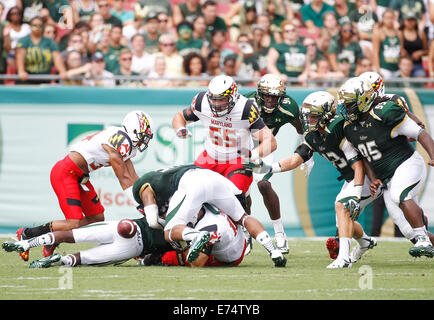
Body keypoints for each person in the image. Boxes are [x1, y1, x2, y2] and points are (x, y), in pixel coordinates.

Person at [244, 90, 378, 268]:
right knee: (344, 220)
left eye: (314, 116)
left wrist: (356, 192)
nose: (309, 120)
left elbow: (358, 164)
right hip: (350, 178)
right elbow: (294, 159)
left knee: (341, 207)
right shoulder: (313, 134)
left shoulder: (339, 128)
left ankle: (344, 258)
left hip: (366, 178)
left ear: (327, 114)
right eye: (308, 116)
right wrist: (270, 168)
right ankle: (365, 242)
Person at [14, 110, 153, 262]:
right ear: (134, 129)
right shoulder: (121, 139)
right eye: (143, 135)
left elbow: (133, 178)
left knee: (97, 217)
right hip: (66, 172)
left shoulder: (126, 144)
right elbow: (124, 178)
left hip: (80, 177)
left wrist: (146, 199)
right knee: (73, 222)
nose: (144, 140)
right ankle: (28, 233)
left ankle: (56, 238)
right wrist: (138, 204)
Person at [172, 75, 278, 254]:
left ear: (233, 96)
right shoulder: (201, 102)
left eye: (222, 99)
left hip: (236, 160)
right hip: (210, 157)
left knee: (232, 200)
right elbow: (179, 116)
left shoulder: (245, 108)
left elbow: (270, 141)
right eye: (214, 99)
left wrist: (253, 155)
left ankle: (241, 235)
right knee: (188, 194)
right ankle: (193, 235)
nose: (217, 104)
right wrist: (180, 129)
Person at [338, 77, 434, 258]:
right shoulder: (350, 128)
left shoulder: (384, 112)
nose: (346, 109)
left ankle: (423, 238)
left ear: (363, 101)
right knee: (406, 229)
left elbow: (420, 132)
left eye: (350, 105)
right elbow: (364, 156)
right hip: (388, 179)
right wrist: (373, 177)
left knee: (400, 195)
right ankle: (422, 237)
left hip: (407, 163)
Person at [132, 164, 286, 267]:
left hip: (191, 183)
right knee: (243, 217)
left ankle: (195, 236)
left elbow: (152, 220)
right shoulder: (170, 175)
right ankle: (273, 250)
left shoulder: (147, 184)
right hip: (212, 178)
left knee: (168, 232)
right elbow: (238, 195)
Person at [3, 204, 245, 268]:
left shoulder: (178, 208)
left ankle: (28, 242)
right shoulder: (200, 225)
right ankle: (60, 260)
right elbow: (189, 260)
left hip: (131, 227)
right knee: (80, 258)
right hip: (134, 245)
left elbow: (150, 211)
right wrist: (155, 259)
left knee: (70, 235)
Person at [243, 73, 306, 254]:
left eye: (274, 96)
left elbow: (301, 128)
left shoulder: (289, 107)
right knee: (242, 190)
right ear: (259, 94)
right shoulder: (247, 102)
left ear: (281, 97)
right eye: (267, 95)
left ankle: (279, 233)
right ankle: (246, 233)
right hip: (242, 143)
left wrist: (307, 154)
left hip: (265, 145)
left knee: (263, 183)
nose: (270, 100)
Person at [15, 16, 67, 84]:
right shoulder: (23, 41)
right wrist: (21, 71)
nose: (37, 27)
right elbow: (20, 56)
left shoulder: (49, 42)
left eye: (40, 25)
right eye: (34, 25)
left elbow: (56, 57)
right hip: (26, 79)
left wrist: (62, 71)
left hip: (44, 79)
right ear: (30, 26)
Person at [371, 9, 401, 80]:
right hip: (384, 68)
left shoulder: (399, 33)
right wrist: (377, 69)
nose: (389, 20)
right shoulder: (378, 33)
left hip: (397, 68)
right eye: (387, 18)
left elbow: (401, 50)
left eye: (391, 18)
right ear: (383, 19)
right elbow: (375, 52)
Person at [398, 11, 428, 78]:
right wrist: (401, 51)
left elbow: (427, 50)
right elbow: (399, 49)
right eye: (408, 20)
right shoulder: (400, 33)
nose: (410, 22)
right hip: (403, 64)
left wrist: (420, 53)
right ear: (404, 21)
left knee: (421, 77)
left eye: (412, 20)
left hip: (417, 64)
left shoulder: (421, 34)